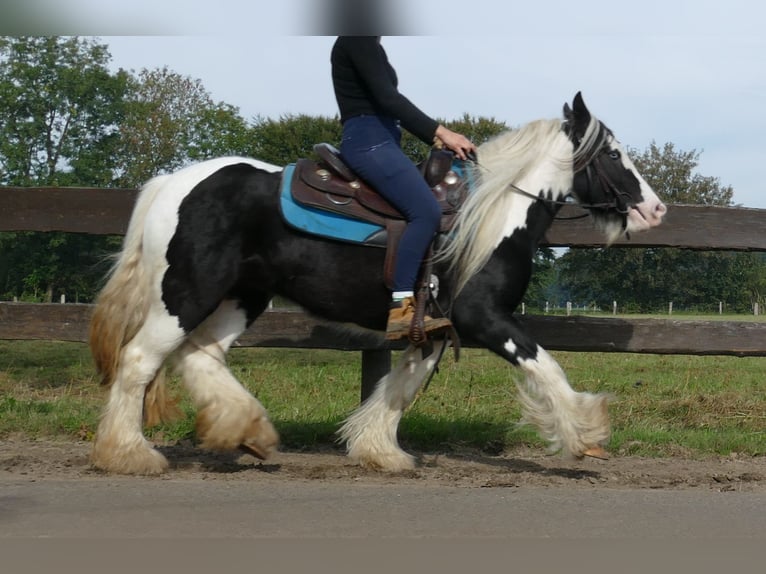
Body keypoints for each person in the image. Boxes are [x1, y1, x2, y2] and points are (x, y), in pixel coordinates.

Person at [331, 36, 477, 340]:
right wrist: (442, 133)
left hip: (385, 141)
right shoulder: (357, 41)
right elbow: (388, 99)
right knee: (424, 212)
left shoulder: (371, 45)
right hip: (369, 141)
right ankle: (401, 308)